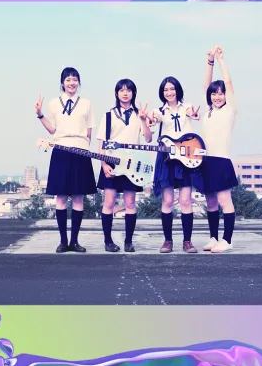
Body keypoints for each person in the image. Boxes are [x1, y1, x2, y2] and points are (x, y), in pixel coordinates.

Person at [35, 67, 97, 254]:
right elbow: (52, 130)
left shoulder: (86, 103)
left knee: (78, 197)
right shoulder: (54, 103)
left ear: (79, 82)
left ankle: (75, 241)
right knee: (60, 197)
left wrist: (84, 147)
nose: (72, 83)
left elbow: (89, 131)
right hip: (60, 150)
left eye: (75, 79)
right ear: (62, 82)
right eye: (68, 79)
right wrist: (39, 114)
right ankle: (63, 241)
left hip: (80, 151)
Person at [95, 79, 153, 252]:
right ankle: (108, 242)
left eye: (129, 90)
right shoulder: (108, 116)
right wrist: (104, 164)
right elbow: (101, 143)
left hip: (133, 163)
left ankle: (128, 241)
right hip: (112, 161)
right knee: (109, 202)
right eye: (122, 90)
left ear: (134, 93)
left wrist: (143, 120)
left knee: (130, 202)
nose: (125, 93)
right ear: (116, 93)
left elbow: (148, 138)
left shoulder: (139, 115)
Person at [148, 76, 203, 253]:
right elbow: (153, 120)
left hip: (186, 157)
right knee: (168, 200)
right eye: (165, 90)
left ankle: (187, 241)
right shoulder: (159, 111)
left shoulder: (186, 107)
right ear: (162, 93)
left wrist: (194, 115)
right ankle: (167, 241)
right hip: (167, 158)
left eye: (172, 89)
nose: (169, 92)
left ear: (178, 90)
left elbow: (192, 114)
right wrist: (149, 120)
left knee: (186, 201)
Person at [200, 46, 239, 253]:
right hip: (205, 161)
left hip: (221, 160)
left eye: (220, 94)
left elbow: (230, 84)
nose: (217, 97)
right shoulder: (208, 111)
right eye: (214, 94)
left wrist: (221, 60)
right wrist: (209, 62)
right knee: (211, 202)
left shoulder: (230, 110)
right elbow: (206, 85)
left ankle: (227, 239)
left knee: (225, 201)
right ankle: (214, 237)